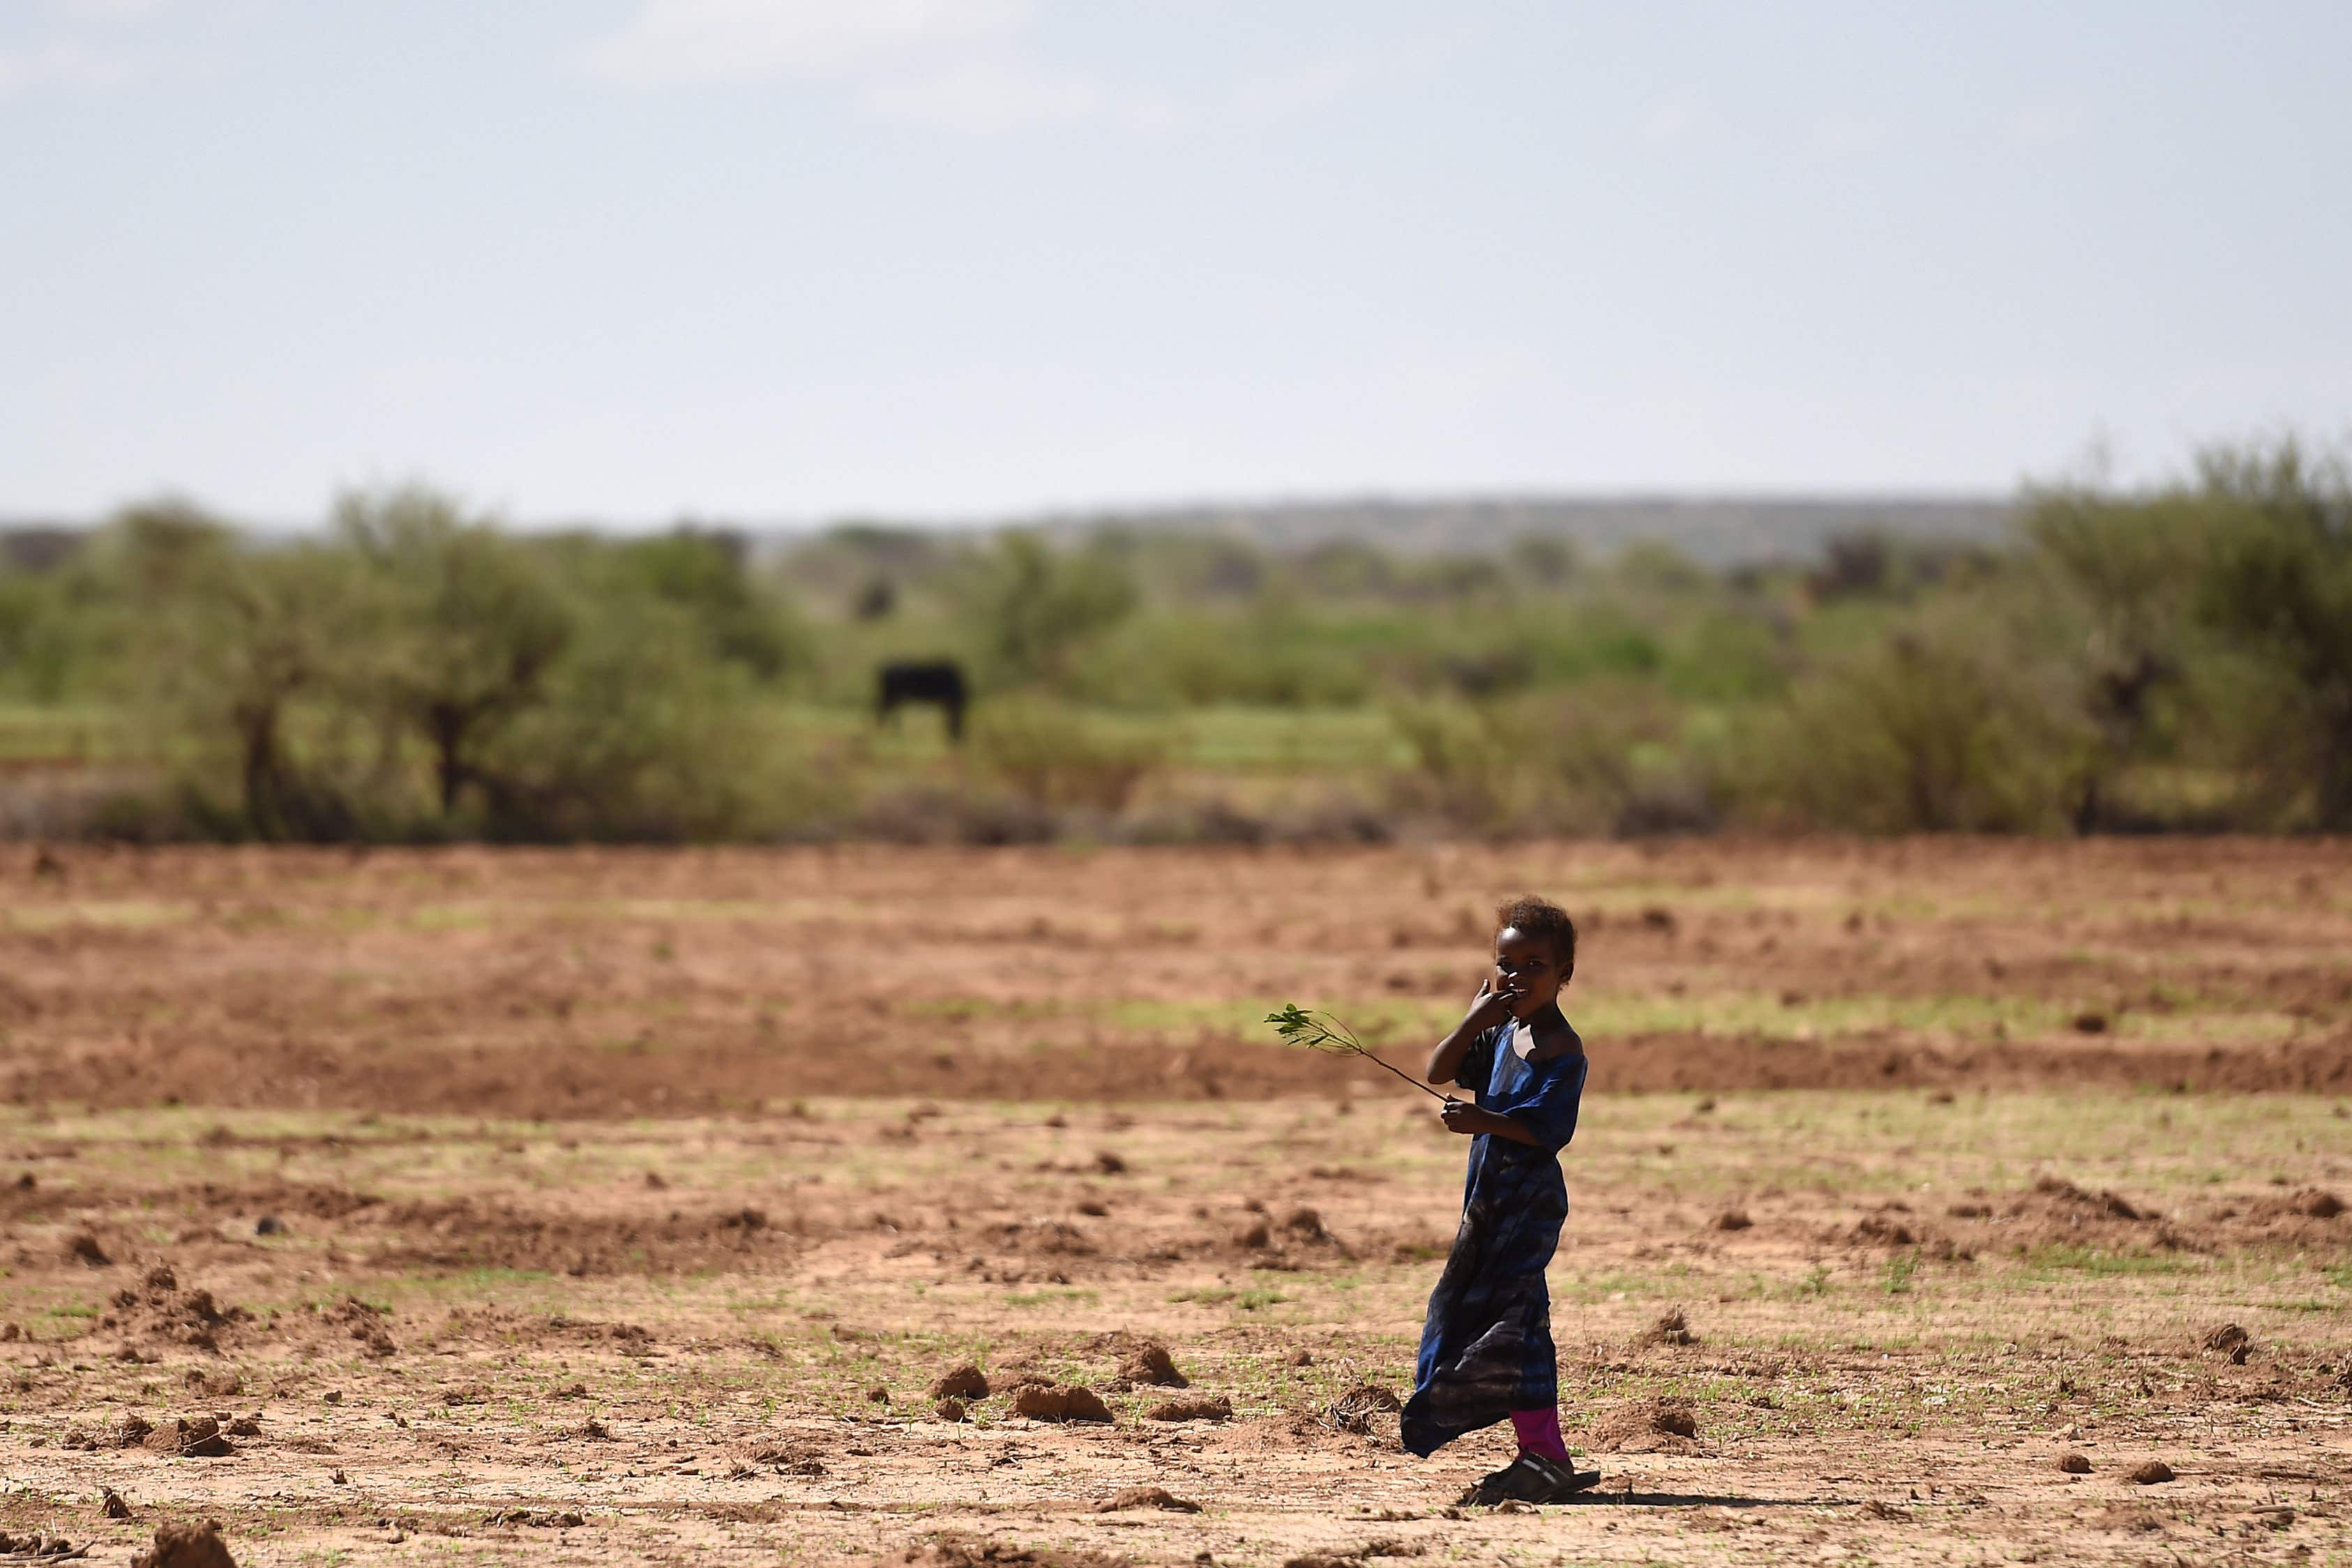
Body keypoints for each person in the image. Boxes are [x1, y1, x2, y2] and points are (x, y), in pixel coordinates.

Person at [1403, 894, 1599, 1504]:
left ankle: (1543, 1456)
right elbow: (1439, 1070)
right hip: (1489, 1200)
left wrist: (1486, 1119)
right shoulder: (1503, 1035)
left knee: (1509, 1322)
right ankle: (1544, 1456)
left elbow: (1549, 1131)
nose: (1520, 977)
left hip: (1527, 1202)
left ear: (1565, 973)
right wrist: (1472, 1021)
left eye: (1536, 964)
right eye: (1508, 965)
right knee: (1512, 1322)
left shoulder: (1561, 1050)